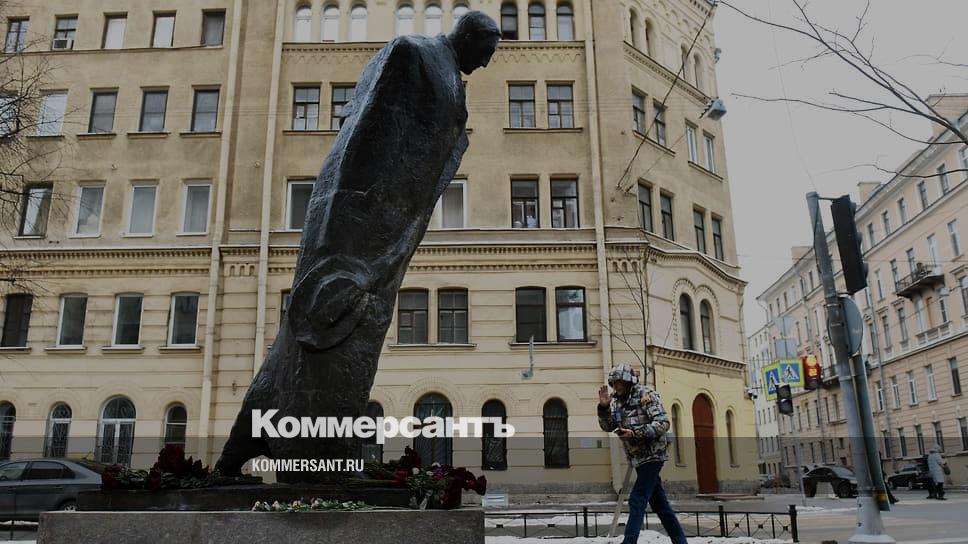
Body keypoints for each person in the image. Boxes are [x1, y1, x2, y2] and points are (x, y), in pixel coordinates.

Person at [598, 364, 687, 544]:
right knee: (660, 504)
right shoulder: (616, 402)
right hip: (637, 456)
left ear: (629, 382)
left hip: (654, 454)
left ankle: (629, 542)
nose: (617, 386)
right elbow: (608, 426)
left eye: (620, 382)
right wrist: (604, 408)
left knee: (637, 498)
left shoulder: (647, 396)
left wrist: (635, 433)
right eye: (614, 383)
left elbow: (663, 423)